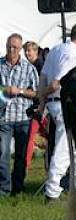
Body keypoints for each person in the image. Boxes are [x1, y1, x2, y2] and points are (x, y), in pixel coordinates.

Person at [38, 22, 76, 203]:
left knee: (73, 148)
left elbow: (43, 76)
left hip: (54, 104)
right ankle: (52, 191)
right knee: (64, 149)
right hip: (64, 103)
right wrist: (43, 94)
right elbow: (59, 82)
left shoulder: (57, 49)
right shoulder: (72, 53)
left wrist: (42, 102)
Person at [0, 34, 39, 197]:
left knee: (21, 156)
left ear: (20, 49)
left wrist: (20, 91)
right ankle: (4, 189)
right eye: (9, 46)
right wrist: (4, 90)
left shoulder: (29, 68)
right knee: (2, 154)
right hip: (3, 117)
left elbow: (37, 93)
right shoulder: (0, 65)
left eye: (15, 47)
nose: (11, 50)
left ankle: (18, 187)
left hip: (22, 117)